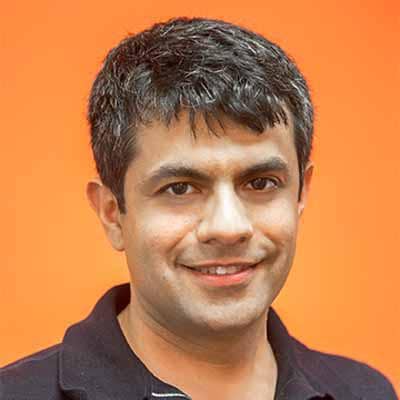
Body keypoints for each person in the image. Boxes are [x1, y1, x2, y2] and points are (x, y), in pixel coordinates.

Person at [1, 17, 397, 400]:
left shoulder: (366, 393)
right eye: (180, 188)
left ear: (300, 195)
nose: (228, 227)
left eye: (260, 183)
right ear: (111, 213)